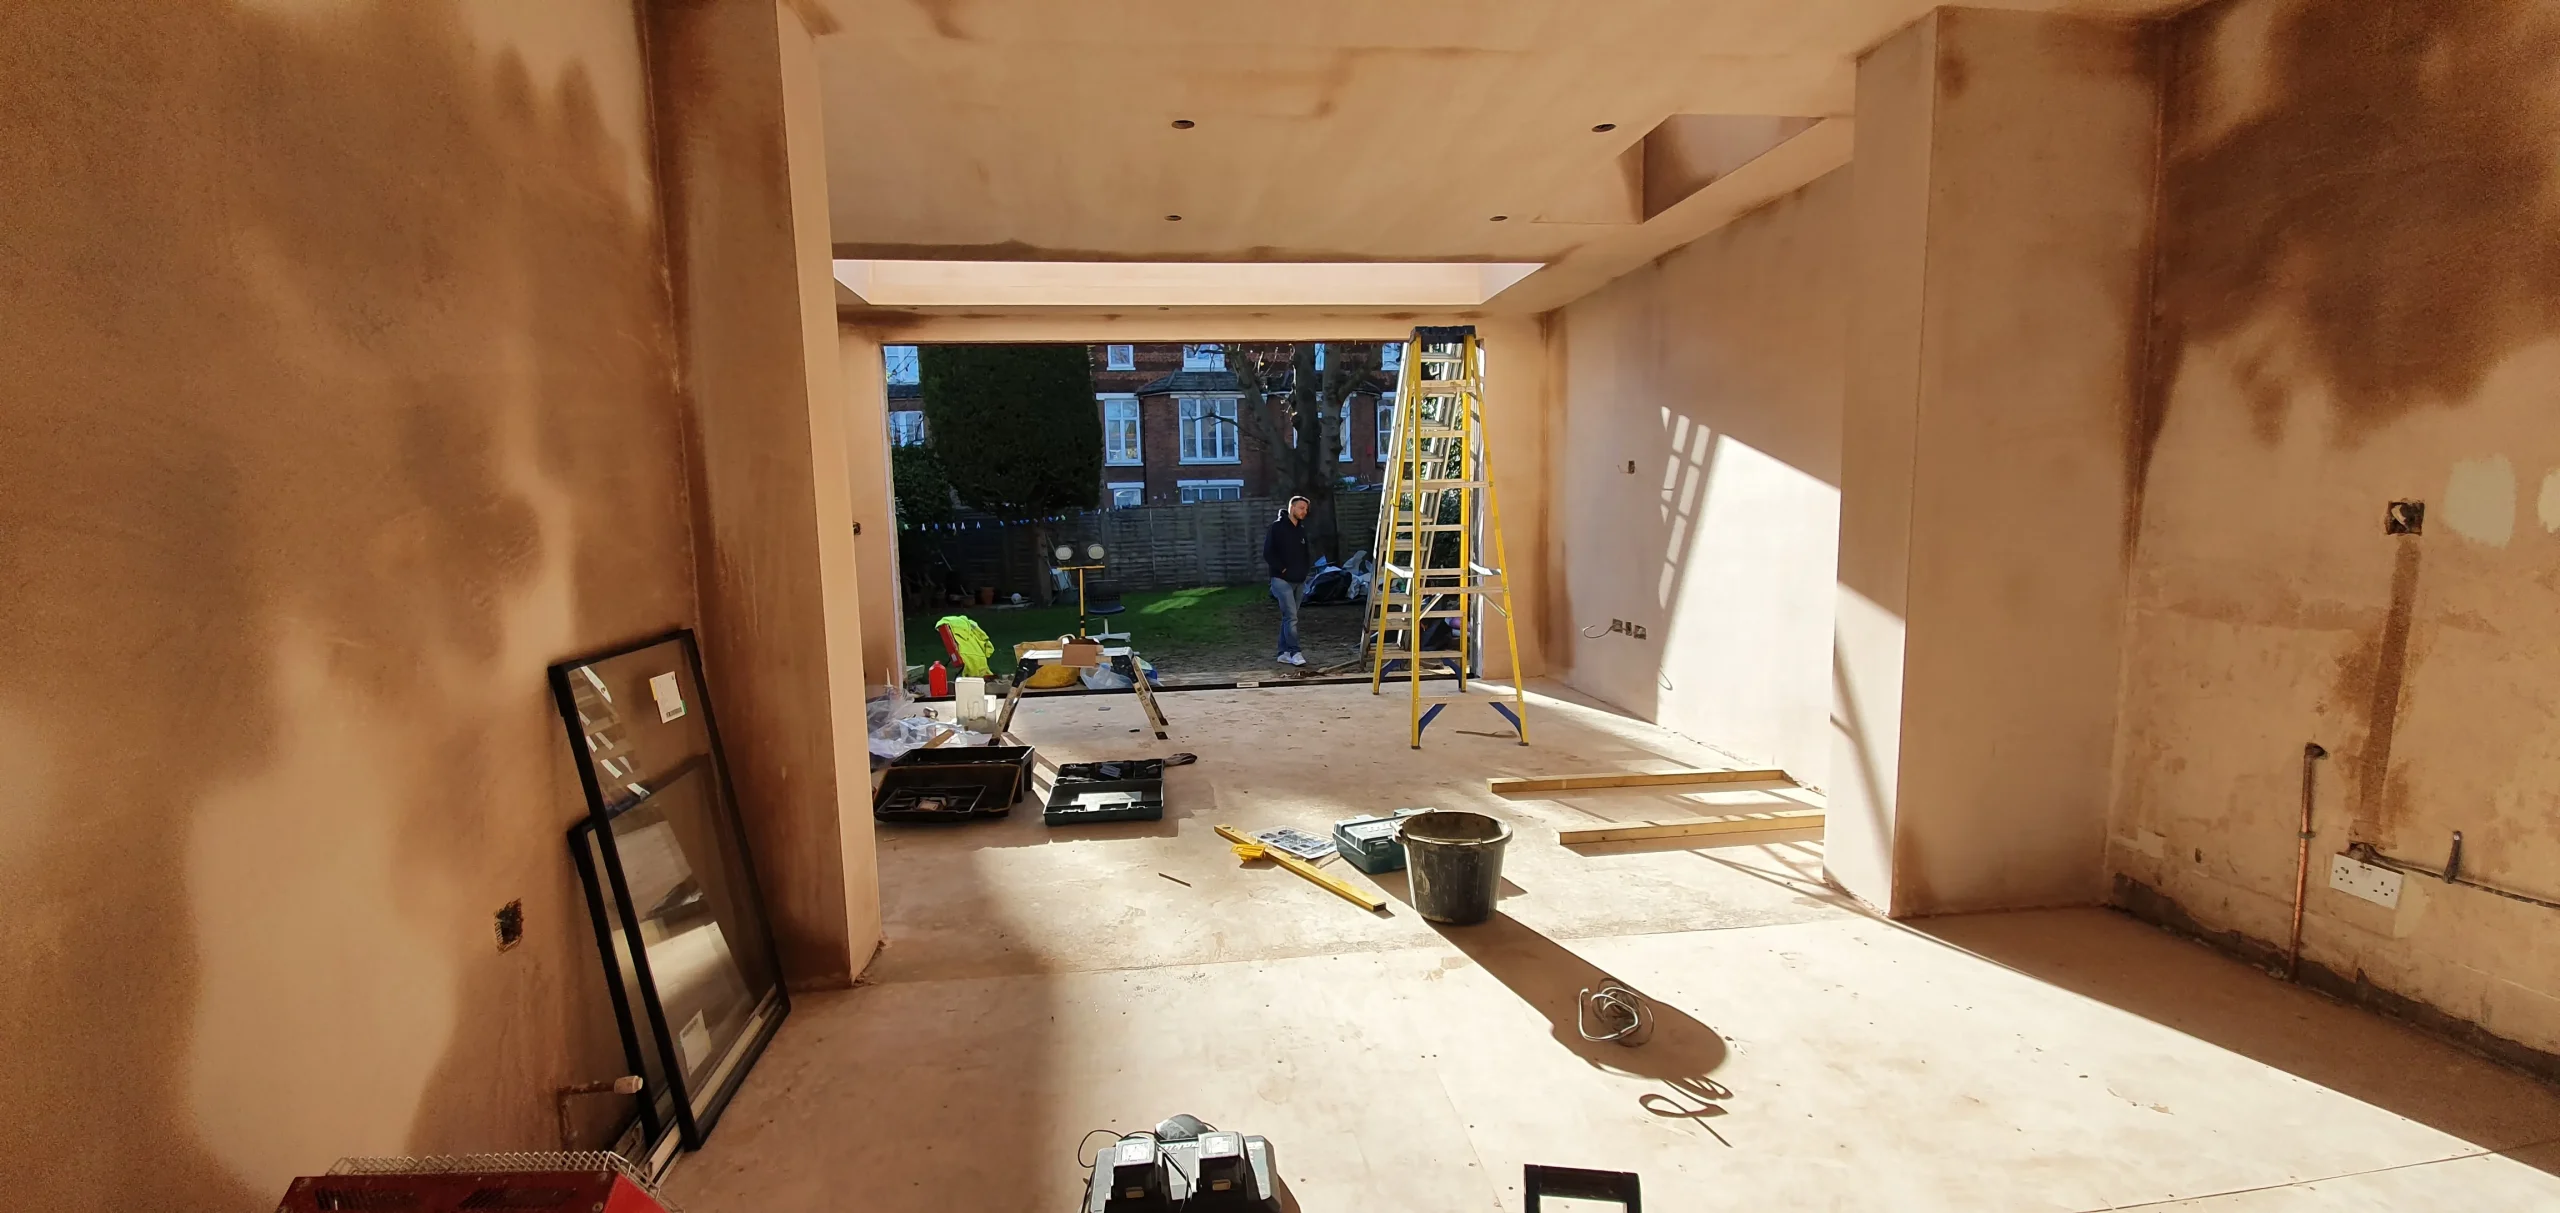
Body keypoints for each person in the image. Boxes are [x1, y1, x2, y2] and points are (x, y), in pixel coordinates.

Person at [1263, 496, 1314, 666]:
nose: (1304, 512)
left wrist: (1305, 571)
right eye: (1301, 508)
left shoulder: (1301, 530)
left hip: (1299, 580)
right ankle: (1295, 652)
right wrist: (1283, 569)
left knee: (1289, 617)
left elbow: (1306, 553)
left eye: (1306, 509)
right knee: (1291, 617)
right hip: (1281, 580)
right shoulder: (1276, 528)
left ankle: (1283, 652)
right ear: (1292, 507)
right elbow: (1268, 553)